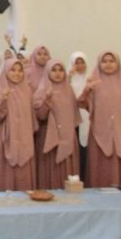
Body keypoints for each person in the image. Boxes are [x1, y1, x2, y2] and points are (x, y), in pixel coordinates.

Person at [78, 51, 121, 189]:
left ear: (118, 63)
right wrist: (87, 90)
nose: (108, 64)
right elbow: (80, 103)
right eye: (104, 61)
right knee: (100, 170)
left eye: (111, 61)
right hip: (99, 135)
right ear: (99, 64)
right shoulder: (94, 82)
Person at [0, 60, 37, 191]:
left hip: (24, 139)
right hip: (6, 140)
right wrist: (4, 100)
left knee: (24, 177)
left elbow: (31, 118)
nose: (17, 73)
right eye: (13, 70)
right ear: (6, 71)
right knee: (6, 176)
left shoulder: (27, 90)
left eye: (20, 70)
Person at [32, 60, 80, 189]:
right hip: (49, 137)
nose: (57, 73)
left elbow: (74, 116)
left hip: (68, 137)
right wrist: (47, 100)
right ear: (47, 72)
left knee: (68, 173)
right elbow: (40, 116)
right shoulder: (41, 91)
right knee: (50, 172)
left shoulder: (69, 90)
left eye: (60, 70)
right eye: (53, 70)